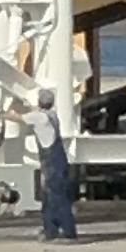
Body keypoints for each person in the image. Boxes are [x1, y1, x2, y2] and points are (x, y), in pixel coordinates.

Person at [32, 83, 79, 240]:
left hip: (51, 164)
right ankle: (51, 230)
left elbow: (19, 118)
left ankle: (68, 232)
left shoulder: (40, 118)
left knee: (57, 198)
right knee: (50, 197)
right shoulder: (53, 116)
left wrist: (1, 114)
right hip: (58, 160)